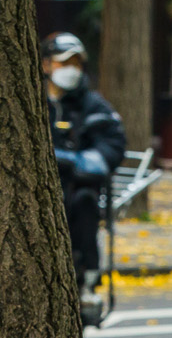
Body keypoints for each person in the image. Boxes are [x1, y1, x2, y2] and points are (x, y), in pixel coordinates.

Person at [43, 32, 126, 306]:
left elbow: (112, 145)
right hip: (39, 194)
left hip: (78, 190)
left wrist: (77, 162)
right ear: (46, 65)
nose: (71, 70)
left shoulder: (94, 106)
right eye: (64, 62)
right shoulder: (32, 103)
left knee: (85, 203)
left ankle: (87, 280)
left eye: (77, 64)